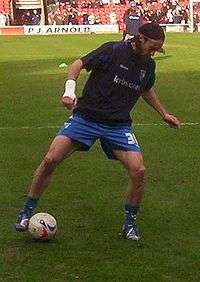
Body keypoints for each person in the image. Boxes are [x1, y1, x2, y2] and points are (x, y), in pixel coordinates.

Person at [15, 22, 181, 241]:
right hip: (86, 118)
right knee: (50, 159)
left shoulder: (148, 66)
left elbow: (146, 89)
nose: (154, 52)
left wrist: (163, 113)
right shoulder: (112, 50)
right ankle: (27, 211)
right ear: (140, 38)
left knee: (138, 170)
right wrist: (69, 92)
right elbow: (77, 64)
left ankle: (129, 223)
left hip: (118, 125)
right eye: (153, 47)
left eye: (158, 49)